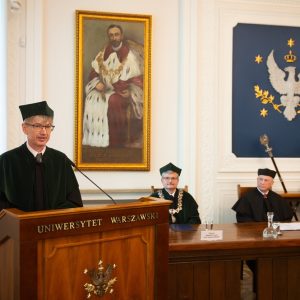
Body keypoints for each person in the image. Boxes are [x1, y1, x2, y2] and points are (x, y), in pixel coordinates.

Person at [0, 101, 83, 212]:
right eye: (38, 126)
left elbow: (74, 202)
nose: (44, 132)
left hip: (54, 227)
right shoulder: (7, 161)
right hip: (20, 227)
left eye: (48, 126)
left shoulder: (61, 160)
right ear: (24, 128)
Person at [232, 168, 293, 293]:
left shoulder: (277, 198)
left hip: (276, 239)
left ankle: (281, 289)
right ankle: (261, 290)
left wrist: (276, 228)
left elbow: (287, 217)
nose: (262, 182)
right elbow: (242, 219)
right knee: (260, 263)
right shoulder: (248, 197)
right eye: (260, 179)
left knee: (286, 259)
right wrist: (259, 230)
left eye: (266, 180)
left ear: (272, 183)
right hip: (255, 240)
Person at [82, 24, 144, 148]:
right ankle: (97, 142)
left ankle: (116, 143)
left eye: (116, 35)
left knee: (114, 100)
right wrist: (97, 83)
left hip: (123, 91)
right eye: (111, 35)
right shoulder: (103, 53)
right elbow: (94, 72)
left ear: (121, 36)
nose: (114, 38)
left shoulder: (129, 55)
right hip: (106, 89)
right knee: (91, 97)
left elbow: (136, 79)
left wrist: (130, 90)